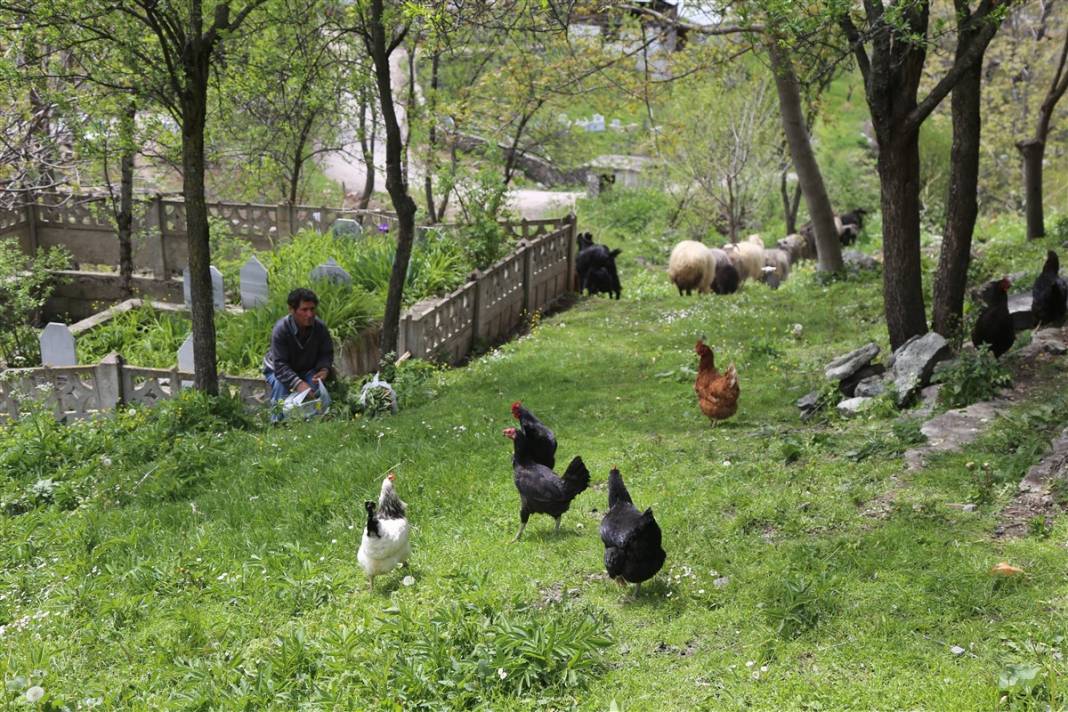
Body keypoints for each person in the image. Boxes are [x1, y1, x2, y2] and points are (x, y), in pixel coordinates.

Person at [263, 287, 334, 419]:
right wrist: (298, 384)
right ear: (292, 310)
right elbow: (280, 365)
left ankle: (315, 421)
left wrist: (324, 369)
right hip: (278, 370)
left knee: (315, 390)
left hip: (307, 369)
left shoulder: (320, 328)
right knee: (281, 388)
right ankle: (277, 422)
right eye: (304, 310)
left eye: (312, 309)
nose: (310, 314)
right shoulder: (281, 330)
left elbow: (326, 353)